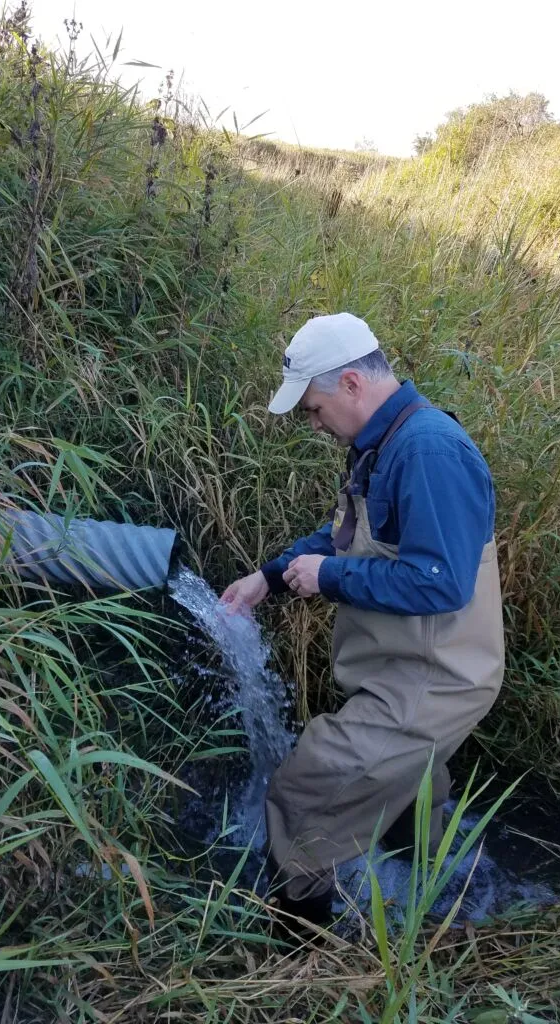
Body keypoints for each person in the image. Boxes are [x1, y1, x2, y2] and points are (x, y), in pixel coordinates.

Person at [219, 312, 505, 924]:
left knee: (302, 795)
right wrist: (269, 578)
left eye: (314, 410)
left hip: (434, 679)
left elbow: (441, 582)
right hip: (405, 667)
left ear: (351, 384)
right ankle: (447, 904)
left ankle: (301, 945)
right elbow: (347, 535)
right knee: (409, 798)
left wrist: (328, 577)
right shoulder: (385, 442)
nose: (314, 424)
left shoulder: (428, 452)